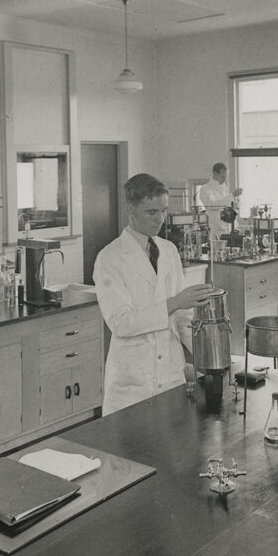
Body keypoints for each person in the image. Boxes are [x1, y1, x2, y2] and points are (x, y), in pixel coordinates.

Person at [94, 173, 216, 415]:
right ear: (130, 208)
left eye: (164, 210)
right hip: (132, 383)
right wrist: (174, 303)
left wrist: (211, 357)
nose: (160, 219)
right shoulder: (109, 257)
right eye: (152, 212)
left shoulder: (168, 250)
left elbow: (182, 317)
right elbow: (121, 323)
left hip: (171, 375)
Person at [196, 162, 243, 240]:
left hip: (230, 229)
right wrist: (232, 195)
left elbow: (229, 208)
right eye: (222, 176)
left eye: (226, 176)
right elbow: (213, 205)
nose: (225, 179)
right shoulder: (206, 189)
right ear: (215, 174)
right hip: (216, 231)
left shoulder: (225, 188)